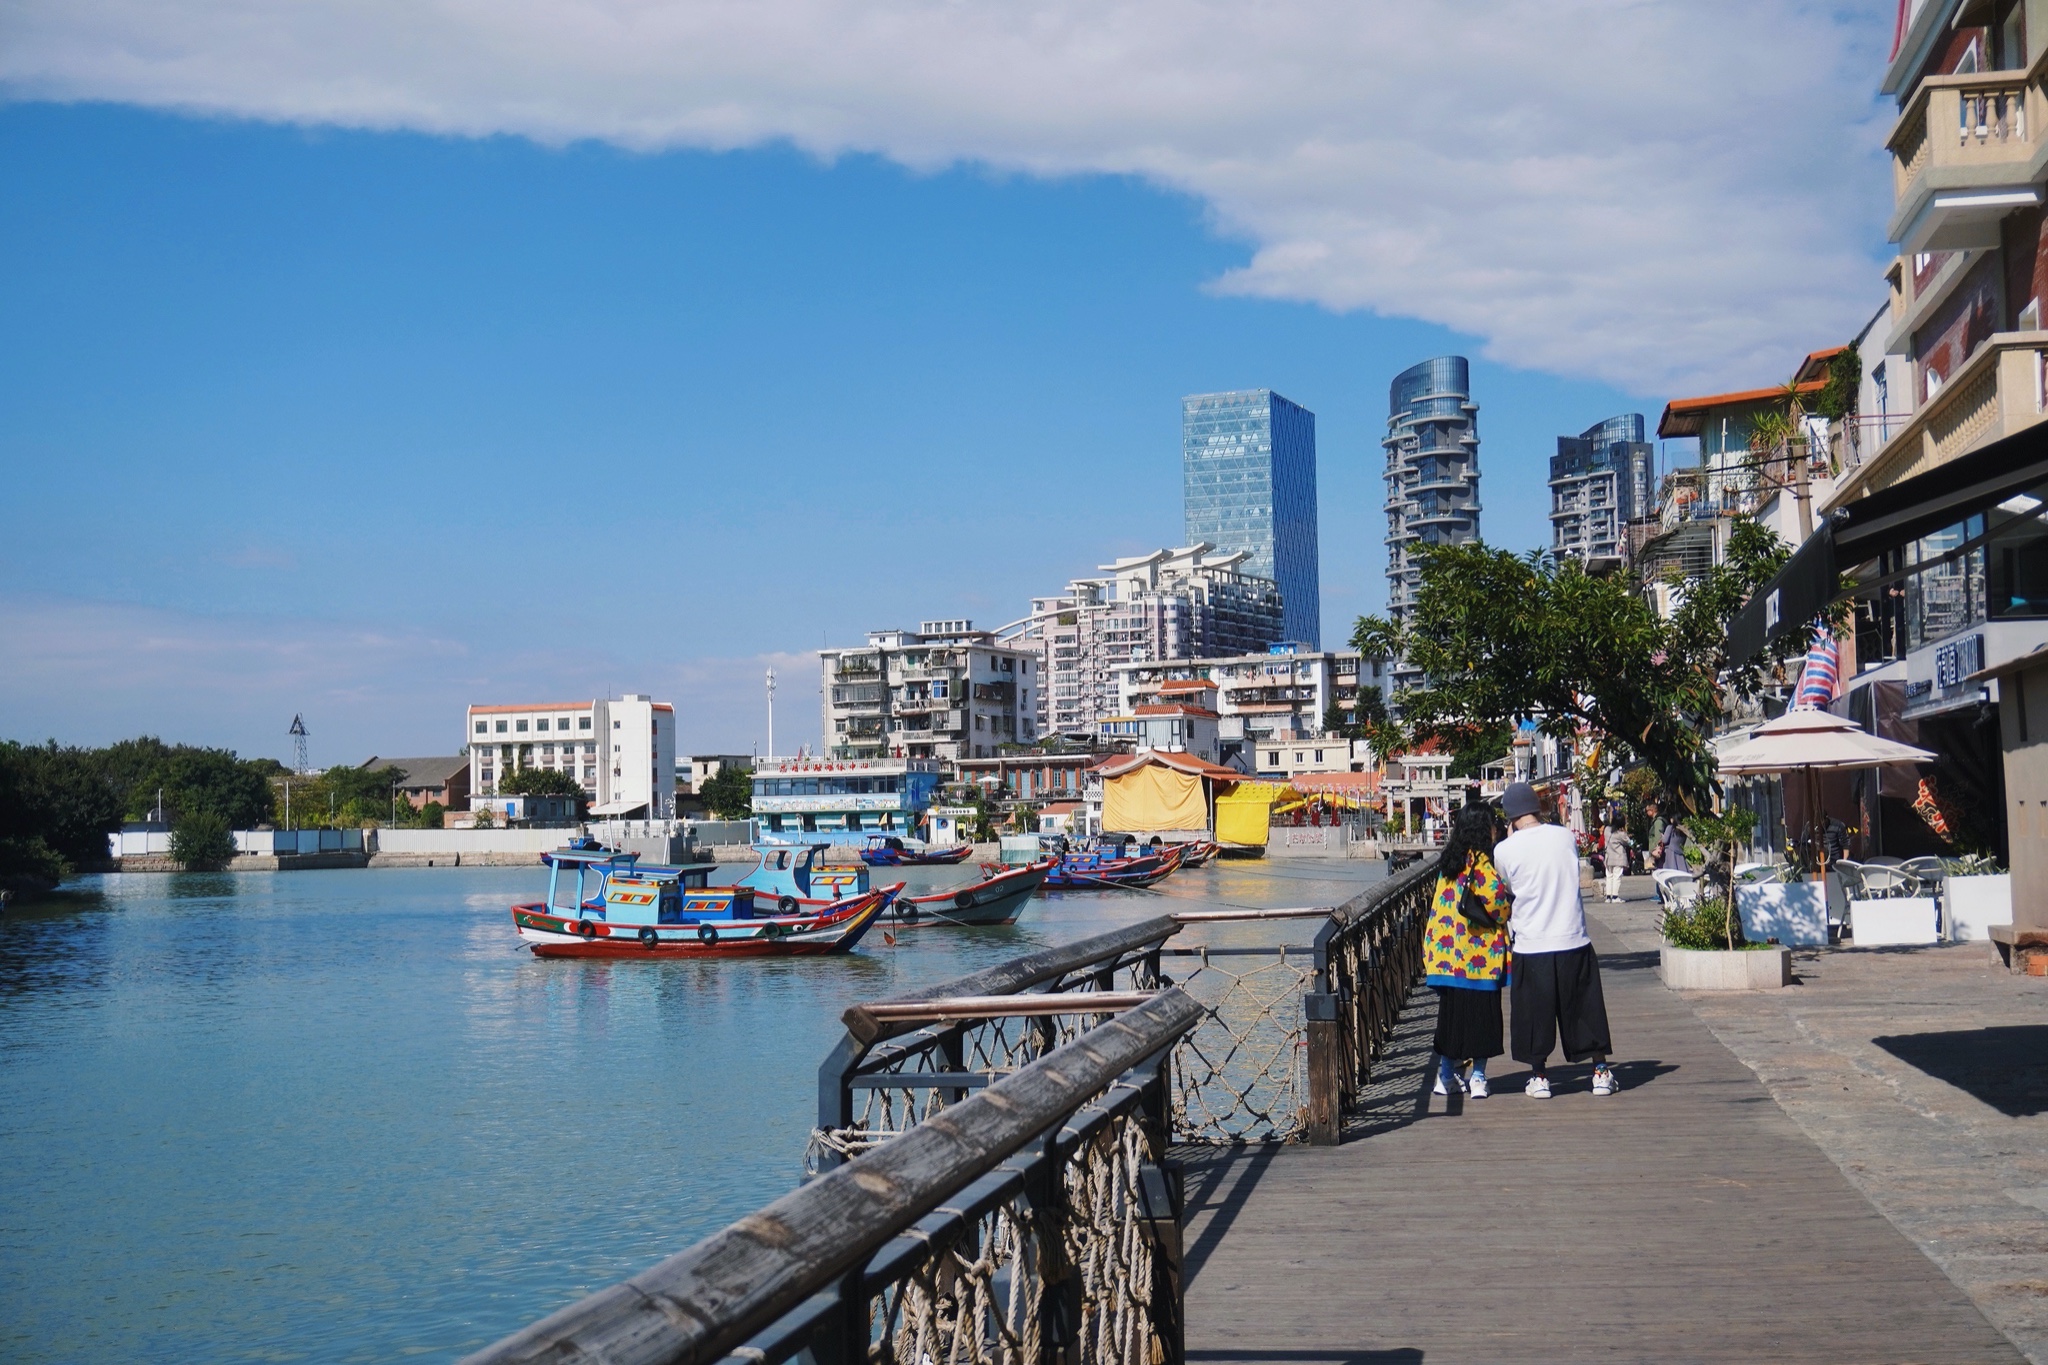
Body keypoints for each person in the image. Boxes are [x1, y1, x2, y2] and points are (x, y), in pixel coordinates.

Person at [1494, 782, 1616, 1098]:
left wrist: (1510, 840)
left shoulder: (1504, 850)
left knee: (1534, 1014)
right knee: (1585, 1008)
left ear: (1509, 817)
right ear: (1536, 808)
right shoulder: (1564, 836)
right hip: (1572, 935)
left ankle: (1539, 1076)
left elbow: (1507, 886)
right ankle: (1600, 1072)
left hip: (1531, 941)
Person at [1423, 803, 1512, 1099]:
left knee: (1452, 1020)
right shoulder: (1481, 863)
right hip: (1478, 957)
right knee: (1483, 1018)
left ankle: (1445, 1076)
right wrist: (1509, 907)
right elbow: (1498, 904)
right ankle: (1478, 1078)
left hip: (1446, 958)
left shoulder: (1449, 861)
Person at [1602, 819, 1632, 903]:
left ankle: (1608, 897)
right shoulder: (1621, 834)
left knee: (1609, 877)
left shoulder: (1607, 830)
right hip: (1618, 858)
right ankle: (1615, 897)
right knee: (1617, 877)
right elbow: (1629, 842)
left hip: (1608, 857)